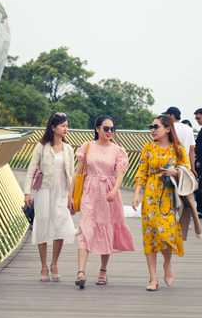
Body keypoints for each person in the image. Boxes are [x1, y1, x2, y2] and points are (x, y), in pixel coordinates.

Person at [68, 115, 135, 288]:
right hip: (89, 192)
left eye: (113, 129)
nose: (110, 132)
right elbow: (78, 172)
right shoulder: (87, 146)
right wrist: (71, 195)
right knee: (85, 228)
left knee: (106, 229)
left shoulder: (118, 151)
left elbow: (120, 175)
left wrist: (114, 190)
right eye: (106, 128)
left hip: (108, 193)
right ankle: (81, 272)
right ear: (97, 129)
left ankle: (103, 271)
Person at [132, 115, 190, 291]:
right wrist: (136, 193)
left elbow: (187, 170)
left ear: (167, 129)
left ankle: (167, 264)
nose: (153, 130)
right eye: (151, 127)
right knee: (149, 235)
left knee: (168, 233)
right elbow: (142, 171)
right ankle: (153, 278)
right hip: (151, 195)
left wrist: (176, 171)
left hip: (169, 197)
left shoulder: (178, 149)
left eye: (156, 126)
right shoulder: (148, 148)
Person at [24, 112, 76, 282]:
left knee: (61, 225)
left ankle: (54, 264)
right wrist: (27, 192)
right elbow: (31, 170)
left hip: (62, 192)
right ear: (53, 128)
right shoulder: (41, 146)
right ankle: (44, 266)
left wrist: (72, 196)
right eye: (62, 125)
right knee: (43, 225)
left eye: (67, 125)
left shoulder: (68, 148)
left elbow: (72, 174)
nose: (65, 128)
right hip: (45, 190)